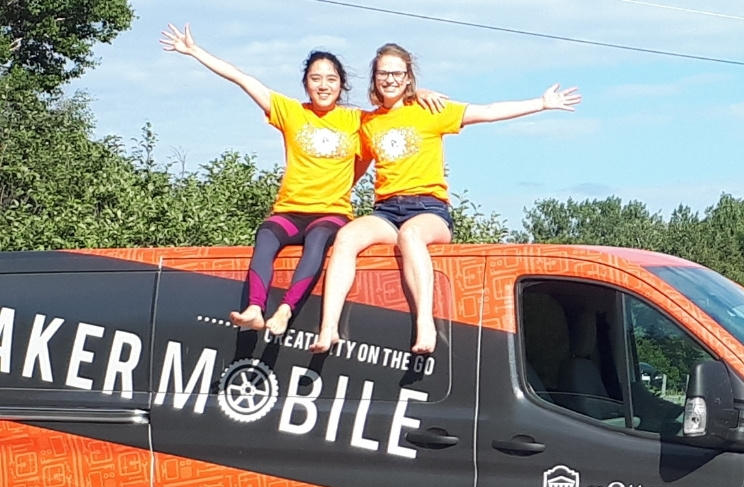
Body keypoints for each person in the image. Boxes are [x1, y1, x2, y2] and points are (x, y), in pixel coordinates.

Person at [158, 25, 443, 336]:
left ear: (341, 86)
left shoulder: (358, 120)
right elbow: (243, 80)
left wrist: (419, 94)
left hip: (331, 213)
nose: (323, 85)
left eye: (331, 79)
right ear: (306, 84)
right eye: (316, 78)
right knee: (266, 235)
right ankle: (255, 308)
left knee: (319, 240)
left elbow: (395, 113)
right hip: (290, 211)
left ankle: (285, 310)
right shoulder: (292, 112)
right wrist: (196, 51)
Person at [310, 43, 581, 355]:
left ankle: (424, 324)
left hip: (428, 210)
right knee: (346, 237)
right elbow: (348, 167)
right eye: (384, 73)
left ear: (408, 77)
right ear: (375, 78)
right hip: (386, 211)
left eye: (397, 73)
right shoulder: (367, 122)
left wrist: (541, 103)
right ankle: (328, 328)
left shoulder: (430, 111)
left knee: (411, 236)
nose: (390, 79)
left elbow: (488, 112)